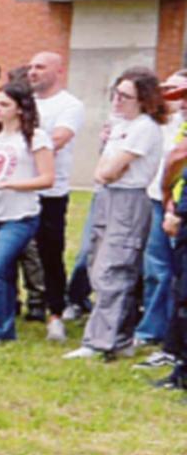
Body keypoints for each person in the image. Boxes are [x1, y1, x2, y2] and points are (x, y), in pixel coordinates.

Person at [66, 67, 167, 360]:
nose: (118, 101)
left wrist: (104, 171)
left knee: (115, 267)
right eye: (116, 94)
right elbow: (103, 170)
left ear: (143, 100)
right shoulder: (120, 125)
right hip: (107, 198)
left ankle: (101, 340)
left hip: (129, 200)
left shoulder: (144, 128)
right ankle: (118, 336)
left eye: (126, 96)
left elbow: (109, 170)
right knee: (97, 261)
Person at [0, 81, 54, 347]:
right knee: (0, 272)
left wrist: (10, 184)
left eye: (5, 105)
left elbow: (47, 178)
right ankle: (4, 328)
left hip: (20, 215)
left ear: (20, 108)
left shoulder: (36, 137)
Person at [25, 51, 85, 341]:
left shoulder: (69, 105)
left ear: (59, 71)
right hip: (18, 189)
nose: (33, 72)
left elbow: (59, 139)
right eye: (31, 67)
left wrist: (25, 149)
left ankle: (55, 313)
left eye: (40, 67)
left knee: (50, 254)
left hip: (50, 191)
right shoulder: (25, 101)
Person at [138, 70, 187, 348]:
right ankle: (154, 330)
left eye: (179, 92)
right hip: (159, 200)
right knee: (157, 269)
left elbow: (176, 160)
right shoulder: (156, 124)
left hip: (176, 204)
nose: (175, 99)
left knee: (178, 273)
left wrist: (171, 198)